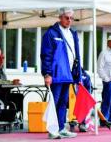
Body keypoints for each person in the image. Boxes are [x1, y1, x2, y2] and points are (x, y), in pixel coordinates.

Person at [41, 8, 81, 139]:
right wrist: (47, 74)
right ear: (60, 18)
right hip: (56, 74)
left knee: (64, 102)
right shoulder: (51, 33)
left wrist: (78, 74)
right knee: (55, 102)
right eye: (66, 18)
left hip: (68, 74)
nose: (69, 20)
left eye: (71, 18)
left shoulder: (72, 34)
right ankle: (52, 130)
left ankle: (61, 127)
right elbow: (46, 55)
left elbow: (76, 55)